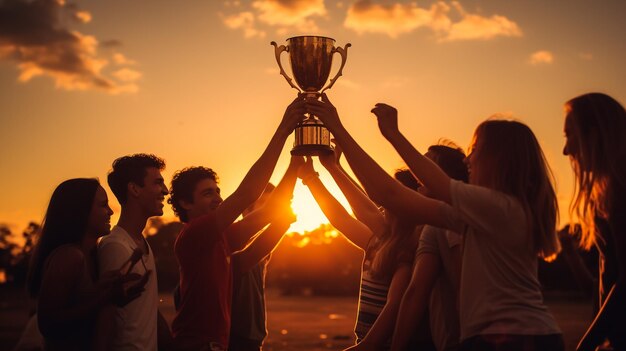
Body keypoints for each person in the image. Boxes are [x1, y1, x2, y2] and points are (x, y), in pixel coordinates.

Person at [306, 95, 564, 350]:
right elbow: (386, 197)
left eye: (476, 150)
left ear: (498, 160)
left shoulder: (498, 206)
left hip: (511, 339)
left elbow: (392, 195)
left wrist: (387, 133)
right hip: (503, 336)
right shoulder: (474, 215)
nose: (468, 159)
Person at [169, 97, 304, 351]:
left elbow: (268, 215)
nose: (218, 198)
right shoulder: (193, 235)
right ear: (186, 204)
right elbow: (246, 196)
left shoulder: (221, 239)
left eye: (217, 191)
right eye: (208, 193)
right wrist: (283, 129)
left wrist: (294, 165)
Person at [297, 154, 422, 351]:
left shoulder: (408, 254)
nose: (381, 203)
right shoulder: (377, 243)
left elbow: (394, 306)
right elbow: (340, 217)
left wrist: (367, 345)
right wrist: (313, 177)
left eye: (388, 196)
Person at [26, 178, 141, 350]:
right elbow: (48, 324)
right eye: (103, 205)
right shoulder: (69, 257)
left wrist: (103, 288)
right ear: (80, 210)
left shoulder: (93, 255)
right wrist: (107, 298)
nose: (110, 211)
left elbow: (77, 302)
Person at [562, 92, 626, 350]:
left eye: (569, 135)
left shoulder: (620, 192)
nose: (566, 150)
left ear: (595, 135)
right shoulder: (607, 194)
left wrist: (587, 343)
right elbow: (607, 285)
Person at [391, 143, 468, 351]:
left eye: (425, 165)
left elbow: (416, 292)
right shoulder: (431, 226)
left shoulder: (449, 223)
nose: (416, 173)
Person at [97, 154, 173, 350]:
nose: (165, 191)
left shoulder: (142, 244)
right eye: (158, 183)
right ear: (134, 189)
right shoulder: (116, 247)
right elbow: (106, 317)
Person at [229, 183, 276, 351]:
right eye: (266, 205)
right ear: (247, 209)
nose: (271, 210)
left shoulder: (264, 243)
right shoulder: (231, 242)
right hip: (234, 335)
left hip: (253, 337)